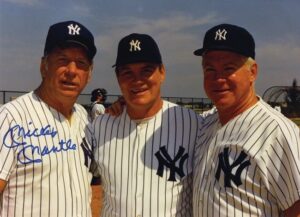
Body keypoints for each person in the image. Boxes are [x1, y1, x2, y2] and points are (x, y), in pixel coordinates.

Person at [87, 33, 202, 216]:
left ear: (162, 72)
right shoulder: (99, 128)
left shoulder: (194, 124)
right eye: (127, 72)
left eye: (146, 70)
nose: (137, 80)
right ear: (118, 77)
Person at [192, 23, 300, 217]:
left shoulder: (276, 132)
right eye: (210, 69)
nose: (218, 78)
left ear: (252, 72)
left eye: (228, 68)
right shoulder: (204, 123)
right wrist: (123, 107)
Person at [0, 20, 98, 217]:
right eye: (62, 60)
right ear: (44, 65)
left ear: (89, 74)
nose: (72, 71)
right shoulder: (10, 117)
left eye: (81, 64)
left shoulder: (86, 119)